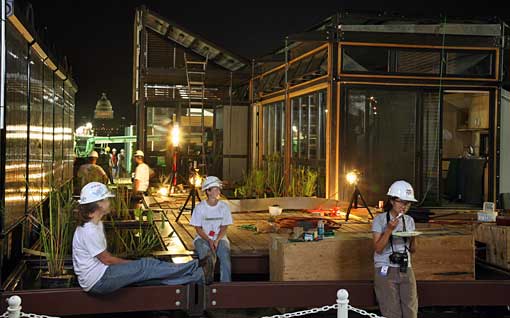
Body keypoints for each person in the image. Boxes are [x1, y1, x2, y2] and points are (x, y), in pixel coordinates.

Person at [72, 182, 214, 295]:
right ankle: (197, 265)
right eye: (106, 199)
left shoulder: (95, 223)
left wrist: (133, 266)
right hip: (99, 279)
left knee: (150, 278)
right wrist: (131, 264)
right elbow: (107, 260)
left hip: (99, 275)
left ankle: (199, 276)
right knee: (146, 265)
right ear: (98, 204)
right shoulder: (89, 230)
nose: (109, 202)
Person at [372, 180, 418, 318]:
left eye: (408, 203)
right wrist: (389, 230)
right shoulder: (380, 220)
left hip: (405, 267)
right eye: (401, 202)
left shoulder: (409, 221)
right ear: (392, 201)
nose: (404, 206)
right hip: (384, 268)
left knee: (411, 310)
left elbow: (413, 250)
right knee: (391, 311)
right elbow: (378, 248)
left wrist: (414, 237)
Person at [190, 176, 232, 282]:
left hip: (220, 238)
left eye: (219, 188)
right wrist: (209, 240)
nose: (218, 191)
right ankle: (207, 284)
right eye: (215, 188)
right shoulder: (200, 208)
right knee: (206, 256)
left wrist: (217, 240)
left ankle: (225, 286)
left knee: (225, 256)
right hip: (202, 238)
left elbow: (224, 226)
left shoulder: (224, 207)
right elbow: (198, 228)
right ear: (208, 191)